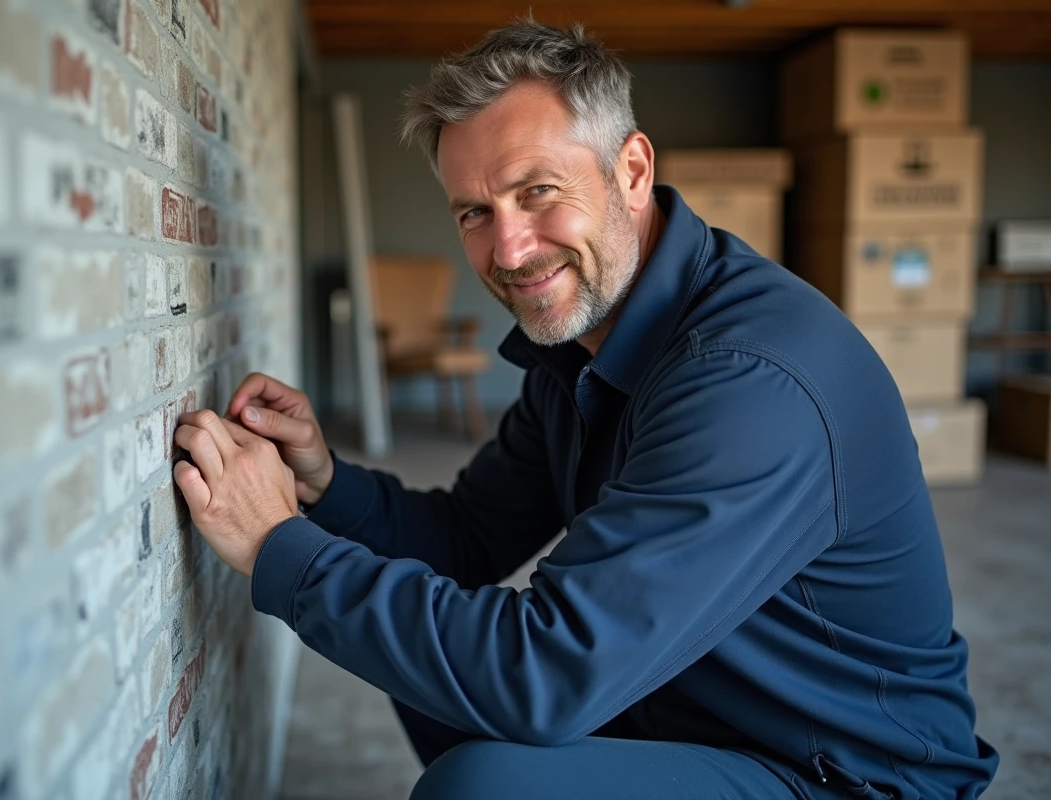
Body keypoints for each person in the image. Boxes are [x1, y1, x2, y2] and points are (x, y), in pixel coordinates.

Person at [170, 18, 998, 800]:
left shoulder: (751, 381)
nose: (508, 249)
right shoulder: (584, 340)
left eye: (538, 192)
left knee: (482, 782)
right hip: (687, 702)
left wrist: (277, 546)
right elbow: (465, 539)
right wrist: (320, 484)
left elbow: (548, 675)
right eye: (474, 213)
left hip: (839, 772)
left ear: (631, 170)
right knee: (421, 648)